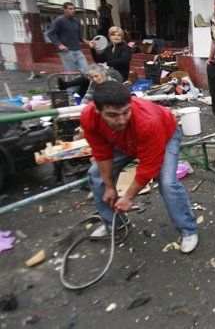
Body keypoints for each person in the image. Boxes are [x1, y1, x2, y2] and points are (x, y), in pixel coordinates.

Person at [81, 81, 199, 253]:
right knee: (96, 174)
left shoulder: (147, 121)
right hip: (125, 142)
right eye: (113, 115)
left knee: (167, 182)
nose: (121, 120)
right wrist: (108, 186)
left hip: (165, 135)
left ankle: (188, 229)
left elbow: (148, 168)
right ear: (98, 111)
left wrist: (128, 197)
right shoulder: (88, 117)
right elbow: (101, 152)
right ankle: (115, 223)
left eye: (125, 112)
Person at [46, 2, 90, 93]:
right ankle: (72, 93)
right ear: (65, 10)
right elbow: (49, 34)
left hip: (77, 49)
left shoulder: (76, 21)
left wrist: (85, 41)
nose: (73, 10)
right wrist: (59, 45)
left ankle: (79, 90)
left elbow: (79, 36)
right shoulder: (59, 20)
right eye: (70, 9)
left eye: (74, 9)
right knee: (72, 73)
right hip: (66, 51)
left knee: (86, 70)